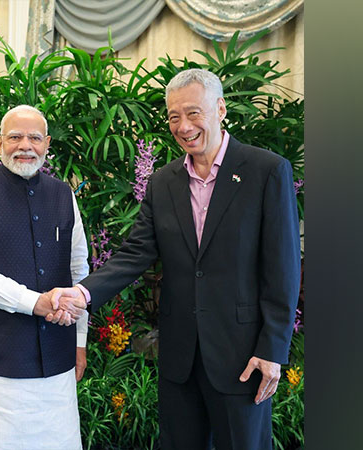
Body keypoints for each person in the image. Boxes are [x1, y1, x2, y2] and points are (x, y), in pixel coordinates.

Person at [50, 69, 301, 449]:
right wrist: (82, 295)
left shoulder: (266, 171)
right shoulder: (163, 181)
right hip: (180, 359)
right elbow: (136, 253)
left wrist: (272, 350)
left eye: (193, 113)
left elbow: (283, 268)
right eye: (173, 117)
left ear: (219, 109)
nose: (183, 126)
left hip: (242, 357)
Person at [0, 104, 89, 449]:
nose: (24, 145)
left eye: (34, 137)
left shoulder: (63, 194)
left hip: (56, 367)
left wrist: (80, 341)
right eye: (15, 136)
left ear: (47, 144)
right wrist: (35, 303)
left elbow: (79, 270)